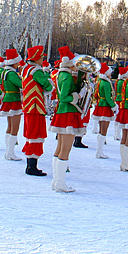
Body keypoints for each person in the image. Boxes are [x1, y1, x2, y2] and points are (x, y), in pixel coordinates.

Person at [48, 46, 86, 192]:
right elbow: (65, 97)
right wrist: (76, 96)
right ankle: (60, 183)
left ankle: (56, 181)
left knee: (59, 148)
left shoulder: (60, 74)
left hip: (61, 112)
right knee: (65, 149)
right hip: (68, 112)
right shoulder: (68, 76)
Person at [21, 45, 53, 177]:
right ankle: (32, 167)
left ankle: (30, 165)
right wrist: (49, 81)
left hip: (29, 105)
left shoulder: (26, 69)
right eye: (41, 58)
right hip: (35, 106)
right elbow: (48, 86)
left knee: (31, 134)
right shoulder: (37, 71)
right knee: (36, 134)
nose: (42, 60)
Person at [0, 49, 23, 161]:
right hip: (13, 99)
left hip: (8, 98)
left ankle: (8, 151)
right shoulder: (11, 73)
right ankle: (10, 152)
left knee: (10, 126)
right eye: (17, 62)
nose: (18, 64)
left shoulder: (5, 71)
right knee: (15, 127)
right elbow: (21, 84)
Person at [91, 62, 119, 159]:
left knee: (101, 130)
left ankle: (99, 150)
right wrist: (114, 106)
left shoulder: (100, 82)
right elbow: (108, 97)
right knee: (104, 131)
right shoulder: (106, 83)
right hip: (105, 107)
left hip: (100, 106)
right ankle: (99, 151)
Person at [113, 66, 128, 141]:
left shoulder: (118, 81)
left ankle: (117, 133)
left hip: (118, 98)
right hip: (121, 99)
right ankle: (117, 134)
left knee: (118, 116)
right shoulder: (122, 82)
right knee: (119, 117)